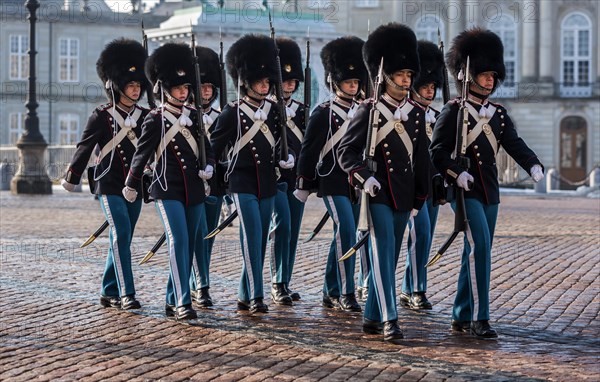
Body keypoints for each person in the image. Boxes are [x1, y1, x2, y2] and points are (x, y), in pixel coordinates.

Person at [430, 28, 545, 338]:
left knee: (475, 251)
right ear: (468, 75)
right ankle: (481, 317)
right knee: (480, 247)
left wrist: (533, 163)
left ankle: (459, 313)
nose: (491, 79)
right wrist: (456, 173)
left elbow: (514, 144)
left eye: (494, 74)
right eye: (485, 74)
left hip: (489, 191)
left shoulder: (498, 114)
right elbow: (436, 151)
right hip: (465, 192)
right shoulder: (453, 111)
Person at [338, 23, 429, 341]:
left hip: (403, 196)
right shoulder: (369, 111)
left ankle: (372, 316)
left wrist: (420, 198)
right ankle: (391, 319)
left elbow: (421, 160)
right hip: (377, 193)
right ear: (386, 75)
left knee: (389, 259)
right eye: (401, 75)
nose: (406, 81)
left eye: (409, 75)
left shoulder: (416, 114)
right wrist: (364, 177)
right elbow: (346, 151)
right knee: (381, 252)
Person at [123, 43, 215, 320]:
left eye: (186, 88)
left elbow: (207, 149)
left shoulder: (195, 116)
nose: (184, 92)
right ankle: (183, 302)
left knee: (188, 245)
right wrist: (131, 182)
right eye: (178, 88)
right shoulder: (156, 119)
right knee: (178, 240)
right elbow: (141, 153)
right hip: (166, 187)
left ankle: (171, 297)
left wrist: (209, 167)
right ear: (165, 89)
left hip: (194, 188)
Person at [61, 38, 149, 310]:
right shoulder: (101, 116)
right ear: (116, 85)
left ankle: (107, 289)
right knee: (121, 233)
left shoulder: (147, 116)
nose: (135, 90)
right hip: (108, 184)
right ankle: (126, 293)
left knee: (122, 238)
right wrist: (72, 177)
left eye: (138, 85)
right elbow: (85, 147)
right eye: (130, 85)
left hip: (136, 185)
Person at [210, 34, 295, 314]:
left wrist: (287, 157)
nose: (264, 85)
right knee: (252, 236)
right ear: (246, 81)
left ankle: (245, 294)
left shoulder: (274, 111)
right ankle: (257, 296)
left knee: (259, 240)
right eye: (260, 81)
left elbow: (283, 142)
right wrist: (215, 173)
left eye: (267, 81)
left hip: (267, 181)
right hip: (242, 181)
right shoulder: (231, 112)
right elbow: (214, 147)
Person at [294, 36, 367, 313]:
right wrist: (304, 182)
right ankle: (347, 292)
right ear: (335, 82)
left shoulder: (364, 111)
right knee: (347, 230)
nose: (353, 86)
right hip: (332, 180)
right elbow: (309, 150)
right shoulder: (323, 113)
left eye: (355, 82)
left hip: (355, 183)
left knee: (343, 234)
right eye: (348, 82)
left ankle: (330, 288)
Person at [399, 40, 446, 310]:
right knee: (422, 234)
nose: (429, 92)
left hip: (433, 186)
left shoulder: (440, 116)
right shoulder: (404, 115)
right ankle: (417, 289)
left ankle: (408, 287)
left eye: (432, 88)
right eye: (425, 87)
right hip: (410, 186)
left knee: (423, 239)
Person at [268, 37, 307, 305]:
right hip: (272, 178)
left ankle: (286, 279)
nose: (290, 85)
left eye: (293, 82)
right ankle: (275, 281)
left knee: (292, 229)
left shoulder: (302, 111)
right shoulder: (266, 109)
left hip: (295, 179)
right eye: (285, 80)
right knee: (281, 225)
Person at [189, 45, 223, 308]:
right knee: (196, 233)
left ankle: (198, 279)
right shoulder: (185, 116)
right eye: (202, 87)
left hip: (216, 181)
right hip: (191, 182)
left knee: (209, 235)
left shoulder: (223, 116)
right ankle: (201, 285)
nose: (207, 91)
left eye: (210, 87)